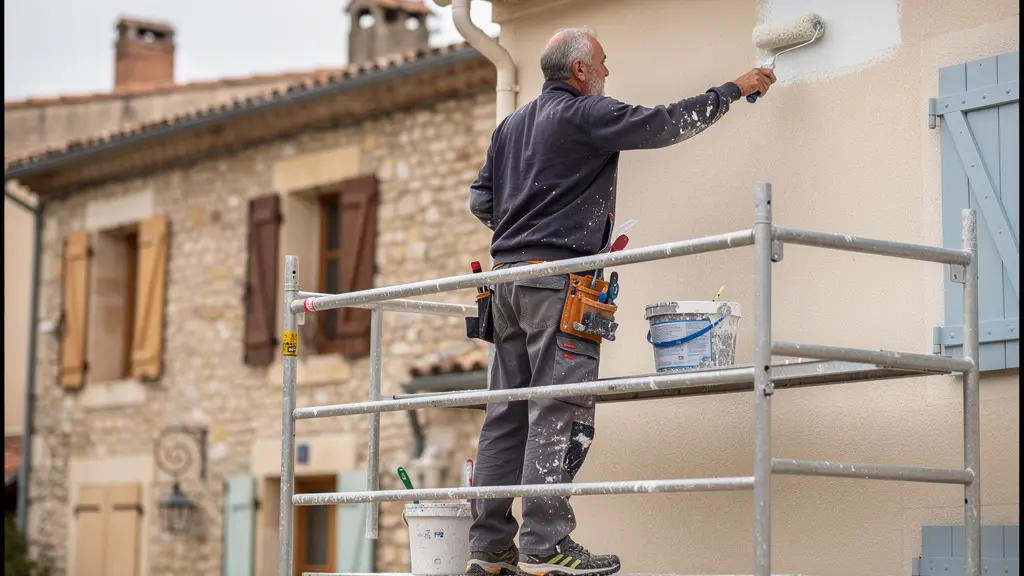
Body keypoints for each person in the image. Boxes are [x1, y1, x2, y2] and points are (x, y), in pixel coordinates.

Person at [465, 27, 776, 576]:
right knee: (557, 410)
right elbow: (661, 125)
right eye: (603, 64)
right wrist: (732, 89)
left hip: (507, 283)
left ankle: (489, 548)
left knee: (505, 416)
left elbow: (481, 200)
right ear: (580, 71)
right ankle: (545, 545)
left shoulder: (510, 126)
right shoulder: (584, 114)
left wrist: (524, 228)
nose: (608, 72)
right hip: (557, 282)